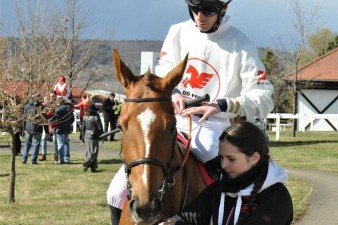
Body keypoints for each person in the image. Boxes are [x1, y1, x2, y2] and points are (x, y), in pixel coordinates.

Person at [107, 0, 274, 223]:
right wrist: (173, 92)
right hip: (172, 120)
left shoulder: (241, 44)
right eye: (195, 9)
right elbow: (164, 74)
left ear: (223, 9)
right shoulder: (177, 33)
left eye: (208, 10)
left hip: (214, 124)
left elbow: (263, 98)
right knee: (115, 193)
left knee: (212, 157)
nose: (200, 16)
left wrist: (222, 105)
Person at [159, 122, 293, 225]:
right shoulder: (219, 189)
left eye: (231, 159)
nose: (223, 165)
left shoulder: (277, 197)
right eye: (221, 157)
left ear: (254, 158)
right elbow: (189, 217)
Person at [49, 97, 75, 164]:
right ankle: (67, 158)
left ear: (59, 102)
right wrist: (68, 124)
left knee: (61, 144)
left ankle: (61, 159)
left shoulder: (59, 109)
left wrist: (49, 121)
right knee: (66, 143)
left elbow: (54, 118)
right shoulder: (69, 108)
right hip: (67, 128)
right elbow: (73, 119)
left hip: (60, 128)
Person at [81, 104, 104, 173]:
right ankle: (87, 162)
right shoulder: (96, 117)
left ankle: (93, 168)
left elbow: (82, 128)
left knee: (88, 152)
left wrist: (82, 137)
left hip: (86, 136)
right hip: (94, 136)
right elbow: (100, 127)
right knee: (94, 151)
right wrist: (102, 135)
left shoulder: (84, 117)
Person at [21, 98, 43, 164]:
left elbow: (24, 117)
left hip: (28, 127)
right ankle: (33, 160)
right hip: (37, 127)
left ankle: (24, 158)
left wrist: (24, 127)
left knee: (27, 143)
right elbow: (43, 117)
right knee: (36, 144)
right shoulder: (40, 107)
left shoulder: (27, 106)